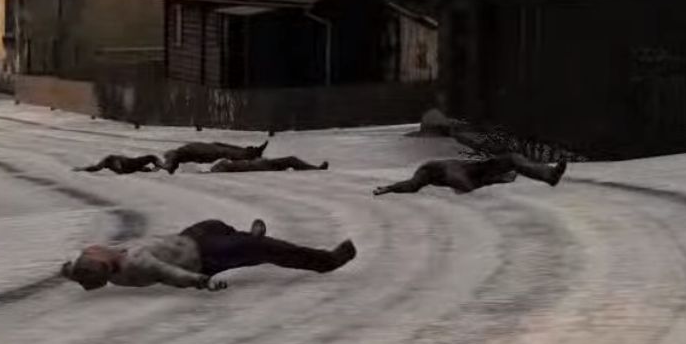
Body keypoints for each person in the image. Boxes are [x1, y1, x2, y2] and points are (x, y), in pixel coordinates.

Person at [61, 218, 356, 292]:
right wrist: (202, 282)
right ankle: (326, 262)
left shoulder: (105, 261)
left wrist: (70, 268)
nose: (94, 246)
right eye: (92, 252)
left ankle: (247, 240)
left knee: (216, 224)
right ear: (101, 260)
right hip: (204, 256)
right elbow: (171, 275)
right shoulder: (136, 262)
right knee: (267, 250)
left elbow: (82, 262)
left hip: (190, 237)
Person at [373, 152, 567, 195]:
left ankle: (549, 176)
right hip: (473, 174)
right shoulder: (428, 174)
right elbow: (412, 185)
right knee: (512, 163)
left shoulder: (429, 169)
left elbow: (413, 185)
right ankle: (549, 176)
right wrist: (390, 188)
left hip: (474, 168)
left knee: (514, 160)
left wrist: (390, 188)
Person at [161, 139, 268, 174]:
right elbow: (171, 164)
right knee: (225, 151)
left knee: (224, 146)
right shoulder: (174, 155)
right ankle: (251, 154)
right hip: (203, 152)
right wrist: (167, 166)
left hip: (203, 148)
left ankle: (251, 151)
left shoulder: (177, 152)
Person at [209, 155, 328, 173]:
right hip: (265, 166)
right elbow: (216, 168)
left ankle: (314, 168)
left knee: (291, 160)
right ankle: (316, 168)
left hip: (264, 164)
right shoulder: (229, 166)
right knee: (291, 160)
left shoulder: (231, 165)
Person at [77, 153, 163, 175]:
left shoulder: (115, 159)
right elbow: (96, 168)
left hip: (131, 164)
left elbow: (152, 157)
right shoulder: (107, 162)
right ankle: (156, 166)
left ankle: (158, 165)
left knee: (149, 159)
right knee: (137, 167)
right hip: (128, 167)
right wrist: (83, 169)